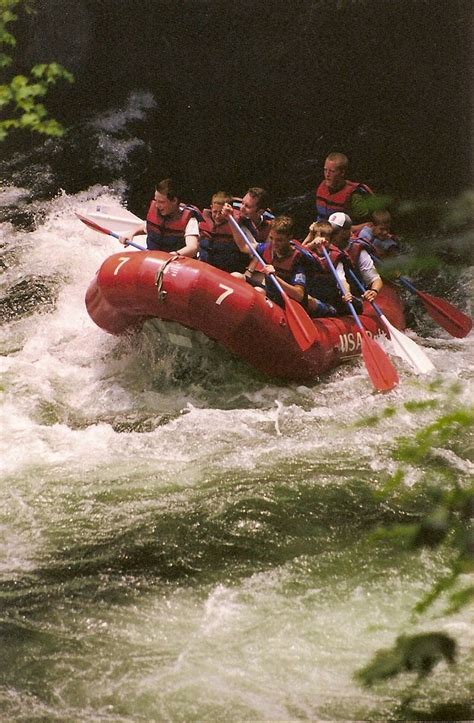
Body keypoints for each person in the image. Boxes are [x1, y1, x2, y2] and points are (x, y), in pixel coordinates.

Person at [223, 213, 308, 308]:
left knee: (258, 292)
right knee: (236, 276)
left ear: (289, 238)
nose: (274, 243)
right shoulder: (267, 248)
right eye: (271, 238)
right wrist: (230, 220)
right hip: (269, 293)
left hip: (284, 302)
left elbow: (299, 295)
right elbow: (244, 247)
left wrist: (275, 278)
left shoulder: (298, 259)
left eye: (279, 240)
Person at [119, 178, 201, 257]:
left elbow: (193, 247)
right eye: (156, 200)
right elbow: (147, 226)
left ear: (174, 201)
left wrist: (176, 254)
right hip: (152, 260)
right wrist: (132, 233)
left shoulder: (190, 220)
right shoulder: (156, 211)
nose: (157, 205)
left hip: (175, 264)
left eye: (161, 202)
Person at [301, 220, 357, 316]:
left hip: (330, 304)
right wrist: (311, 242)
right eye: (318, 237)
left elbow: (342, 280)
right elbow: (297, 254)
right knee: (308, 300)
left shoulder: (335, 257)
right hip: (312, 298)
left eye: (325, 239)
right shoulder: (307, 254)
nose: (321, 242)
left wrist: (346, 293)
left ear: (330, 241)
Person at [329, 212, 382, 304]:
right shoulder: (323, 246)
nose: (332, 235)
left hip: (351, 296)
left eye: (336, 232)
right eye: (331, 231)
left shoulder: (358, 250)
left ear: (346, 232)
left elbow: (375, 279)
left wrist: (374, 291)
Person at [315, 152, 374, 232]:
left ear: (342, 173)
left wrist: (350, 229)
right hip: (322, 232)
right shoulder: (322, 187)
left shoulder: (354, 195)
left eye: (332, 171)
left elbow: (368, 224)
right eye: (325, 170)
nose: (327, 175)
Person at [198, 191, 249, 273]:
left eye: (221, 212)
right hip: (204, 267)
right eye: (215, 212)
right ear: (211, 208)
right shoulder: (201, 220)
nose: (217, 216)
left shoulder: (238, 225)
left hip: (228, 271)